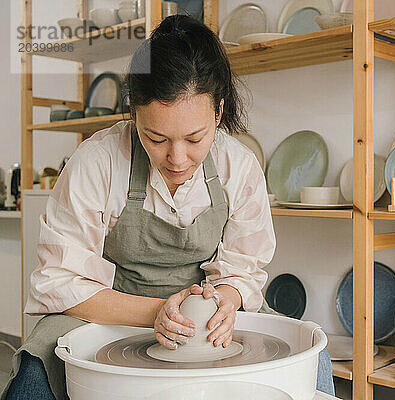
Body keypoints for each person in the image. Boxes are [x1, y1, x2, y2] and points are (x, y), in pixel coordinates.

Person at [2, 15, 334, 400]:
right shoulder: (97, 162)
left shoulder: (238, 167)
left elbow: (244, 268)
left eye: (195, 138)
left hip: (207, 322)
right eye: (155, 137)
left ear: (219, 112)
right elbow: (58, 282)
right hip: (111, 314)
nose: (177, 158)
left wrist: (226, 301)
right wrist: (155, 313)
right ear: (133, 110)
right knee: (33, 376)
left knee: (317, 359)